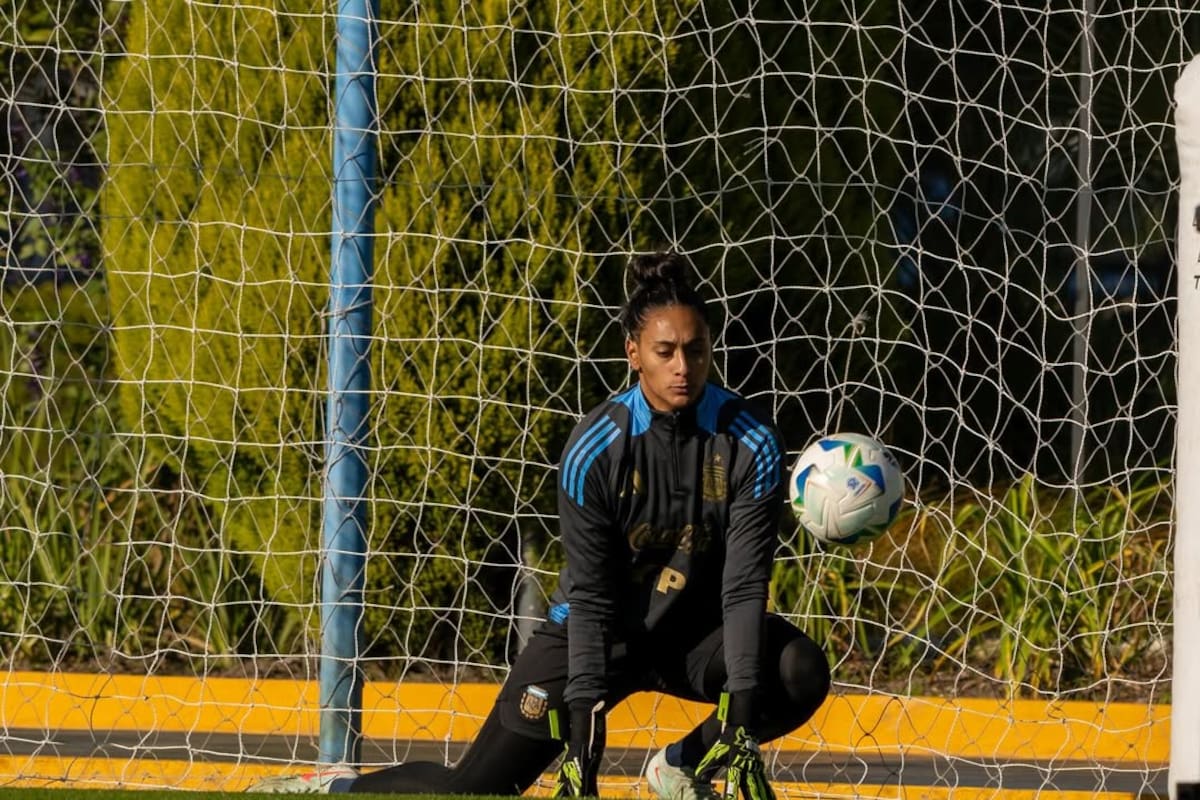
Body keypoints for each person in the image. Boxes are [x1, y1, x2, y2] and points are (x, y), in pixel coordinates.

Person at [250, 251, 831, 798]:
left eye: (697, 350)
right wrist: (581, 728)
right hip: (597, 634)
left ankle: (677, 767)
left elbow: (745, 586)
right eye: (666, 351)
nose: (684, 366)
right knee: (475, 790)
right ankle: (336, 784)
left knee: (799, 670)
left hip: (693, 636)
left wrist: (741, 713)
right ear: (633, 352)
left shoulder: (750, 441)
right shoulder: (596, 448)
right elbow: (592, 593)